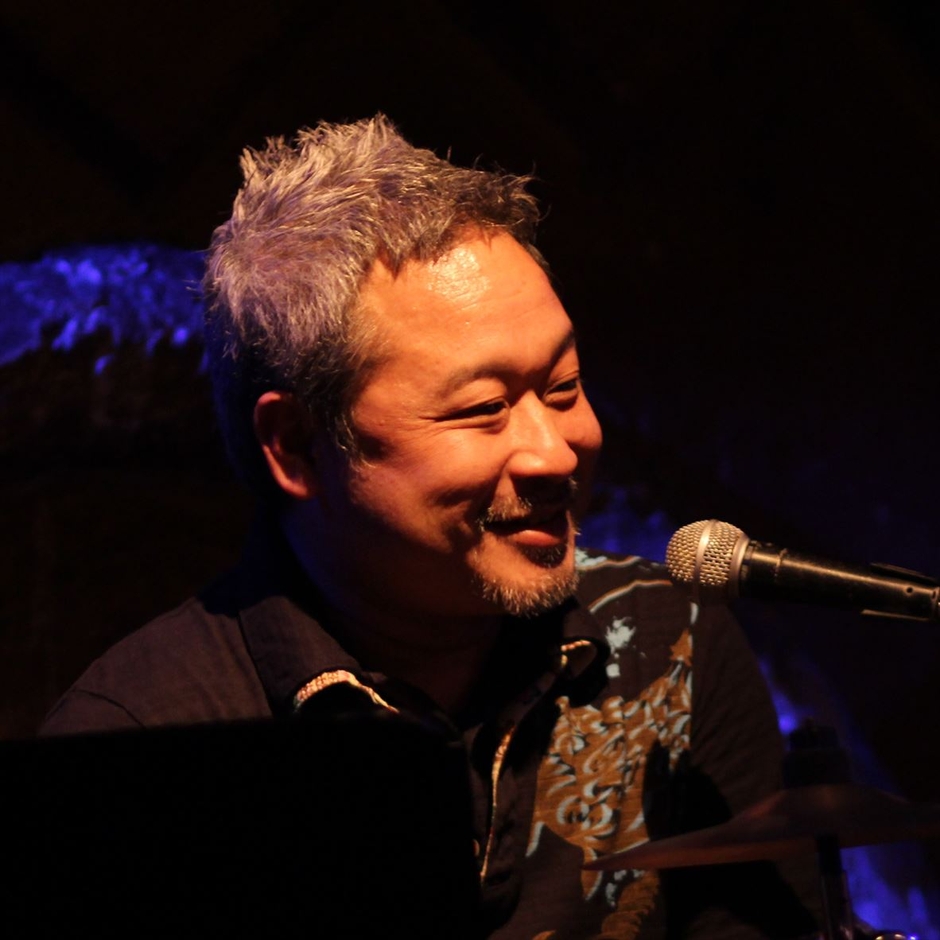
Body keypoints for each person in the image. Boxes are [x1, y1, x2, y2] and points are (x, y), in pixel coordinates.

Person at [42, 115, 817, 938]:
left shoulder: (669, 645)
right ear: (297, 445)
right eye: (483, 409)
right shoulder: (141, 734)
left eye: (563, 387)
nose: (555, 452)